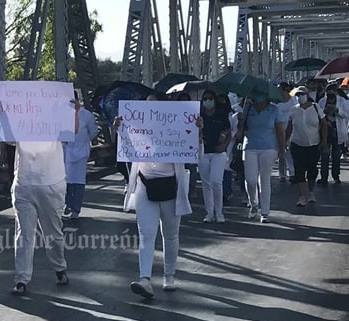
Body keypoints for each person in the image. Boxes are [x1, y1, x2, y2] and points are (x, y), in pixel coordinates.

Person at [0, 99, 79, 295]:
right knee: (24, 233)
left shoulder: (55, 122)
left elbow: (72, 131)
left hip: (51, 182)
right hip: (24, 183)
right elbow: (6, 137)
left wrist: (74, 112)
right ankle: (22, 279)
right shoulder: (20, 122)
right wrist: (2, 116)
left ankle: (59, 267)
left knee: (53, 233)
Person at [117, 108, 199, 298]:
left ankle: (168, 275)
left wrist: (196, 131)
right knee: (146, 235)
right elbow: (127, 151)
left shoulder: (177, 132)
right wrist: (120, 129)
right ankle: (145, 279)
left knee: (170, 235)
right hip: (145, 187)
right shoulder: (139, 134)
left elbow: (195, 154)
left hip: (171, 188)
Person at [236, 91, 285, 223]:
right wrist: (241, 119)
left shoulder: (274, 110)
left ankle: (265, 212)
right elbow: (240, 132)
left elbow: (280, 130)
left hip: (269, 147)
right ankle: (253, 204)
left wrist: (282, 150)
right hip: (250, 146)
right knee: (250, 180)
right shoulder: (248, 108)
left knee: (264, 179)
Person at [286, 86, 326, 207]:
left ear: (307, 95)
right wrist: (284, 142)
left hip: (314, 144)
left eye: (302, 94)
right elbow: (289, 127)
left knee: (312, 169)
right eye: (297, 95)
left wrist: (324, 141)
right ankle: (303, 195)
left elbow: (323, 124)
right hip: (297, 144)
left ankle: (310, 191)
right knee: (299, 170)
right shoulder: (293, 110)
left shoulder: (315, 107)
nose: (300, 97)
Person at [197, 89, 231, 223]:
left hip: (219, 153)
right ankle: (209, 213)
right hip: (203, 152)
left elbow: (229, 132)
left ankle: (219, 212)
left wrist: (224, 145)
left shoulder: (221, 115)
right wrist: (199, 129)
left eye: (210, 98)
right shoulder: (199, 116)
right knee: (206, 183)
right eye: (205, 99)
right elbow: (193, 134)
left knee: (216, 181)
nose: (207, 101)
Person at [63, 97, 100, 219]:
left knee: (78, 181)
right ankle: (67, 204)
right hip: (65, 151)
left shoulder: (86, 115)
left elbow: (93, 131)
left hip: (81, 152)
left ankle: (76, 208)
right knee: (65, 180)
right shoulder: (60, 113)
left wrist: (84, 141)